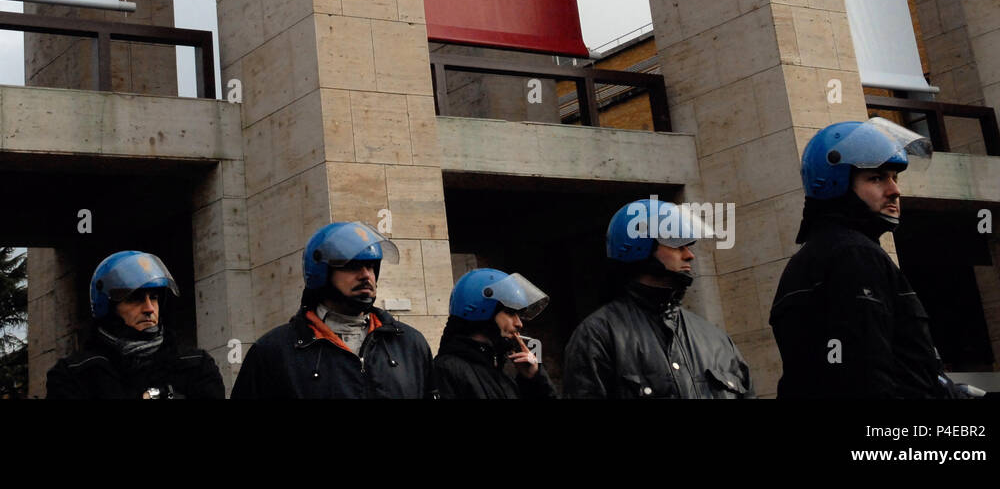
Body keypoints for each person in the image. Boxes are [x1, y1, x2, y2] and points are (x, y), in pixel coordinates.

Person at [770, 117, 953, 398]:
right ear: (835, 183)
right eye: (877, 178)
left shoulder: (811, 258)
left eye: (895, 177)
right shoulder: (854, 255)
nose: (895, 190)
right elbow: (867, 373)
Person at [563, 198, 753, 398]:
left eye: (688, 246)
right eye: (677, 245)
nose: (689, 255)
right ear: (640, 246)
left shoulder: (716, 338)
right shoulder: (597, 335)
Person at [231, 221, 435, 398]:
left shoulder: (410, 344)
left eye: (371, 266)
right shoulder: (273, 352)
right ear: (321, 272)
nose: (366, 276)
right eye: (352, 266)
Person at [46, 250, 223, 399]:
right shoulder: (75, 373)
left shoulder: (195, 365)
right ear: (108, 308)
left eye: (153, 298)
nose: (149, 308)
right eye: (135, 298)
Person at [434, 267, 555, 399]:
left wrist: (533, 379)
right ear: (482, 311)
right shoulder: (448, 370)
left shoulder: (498, 371)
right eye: (510, 313)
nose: (519, 323)